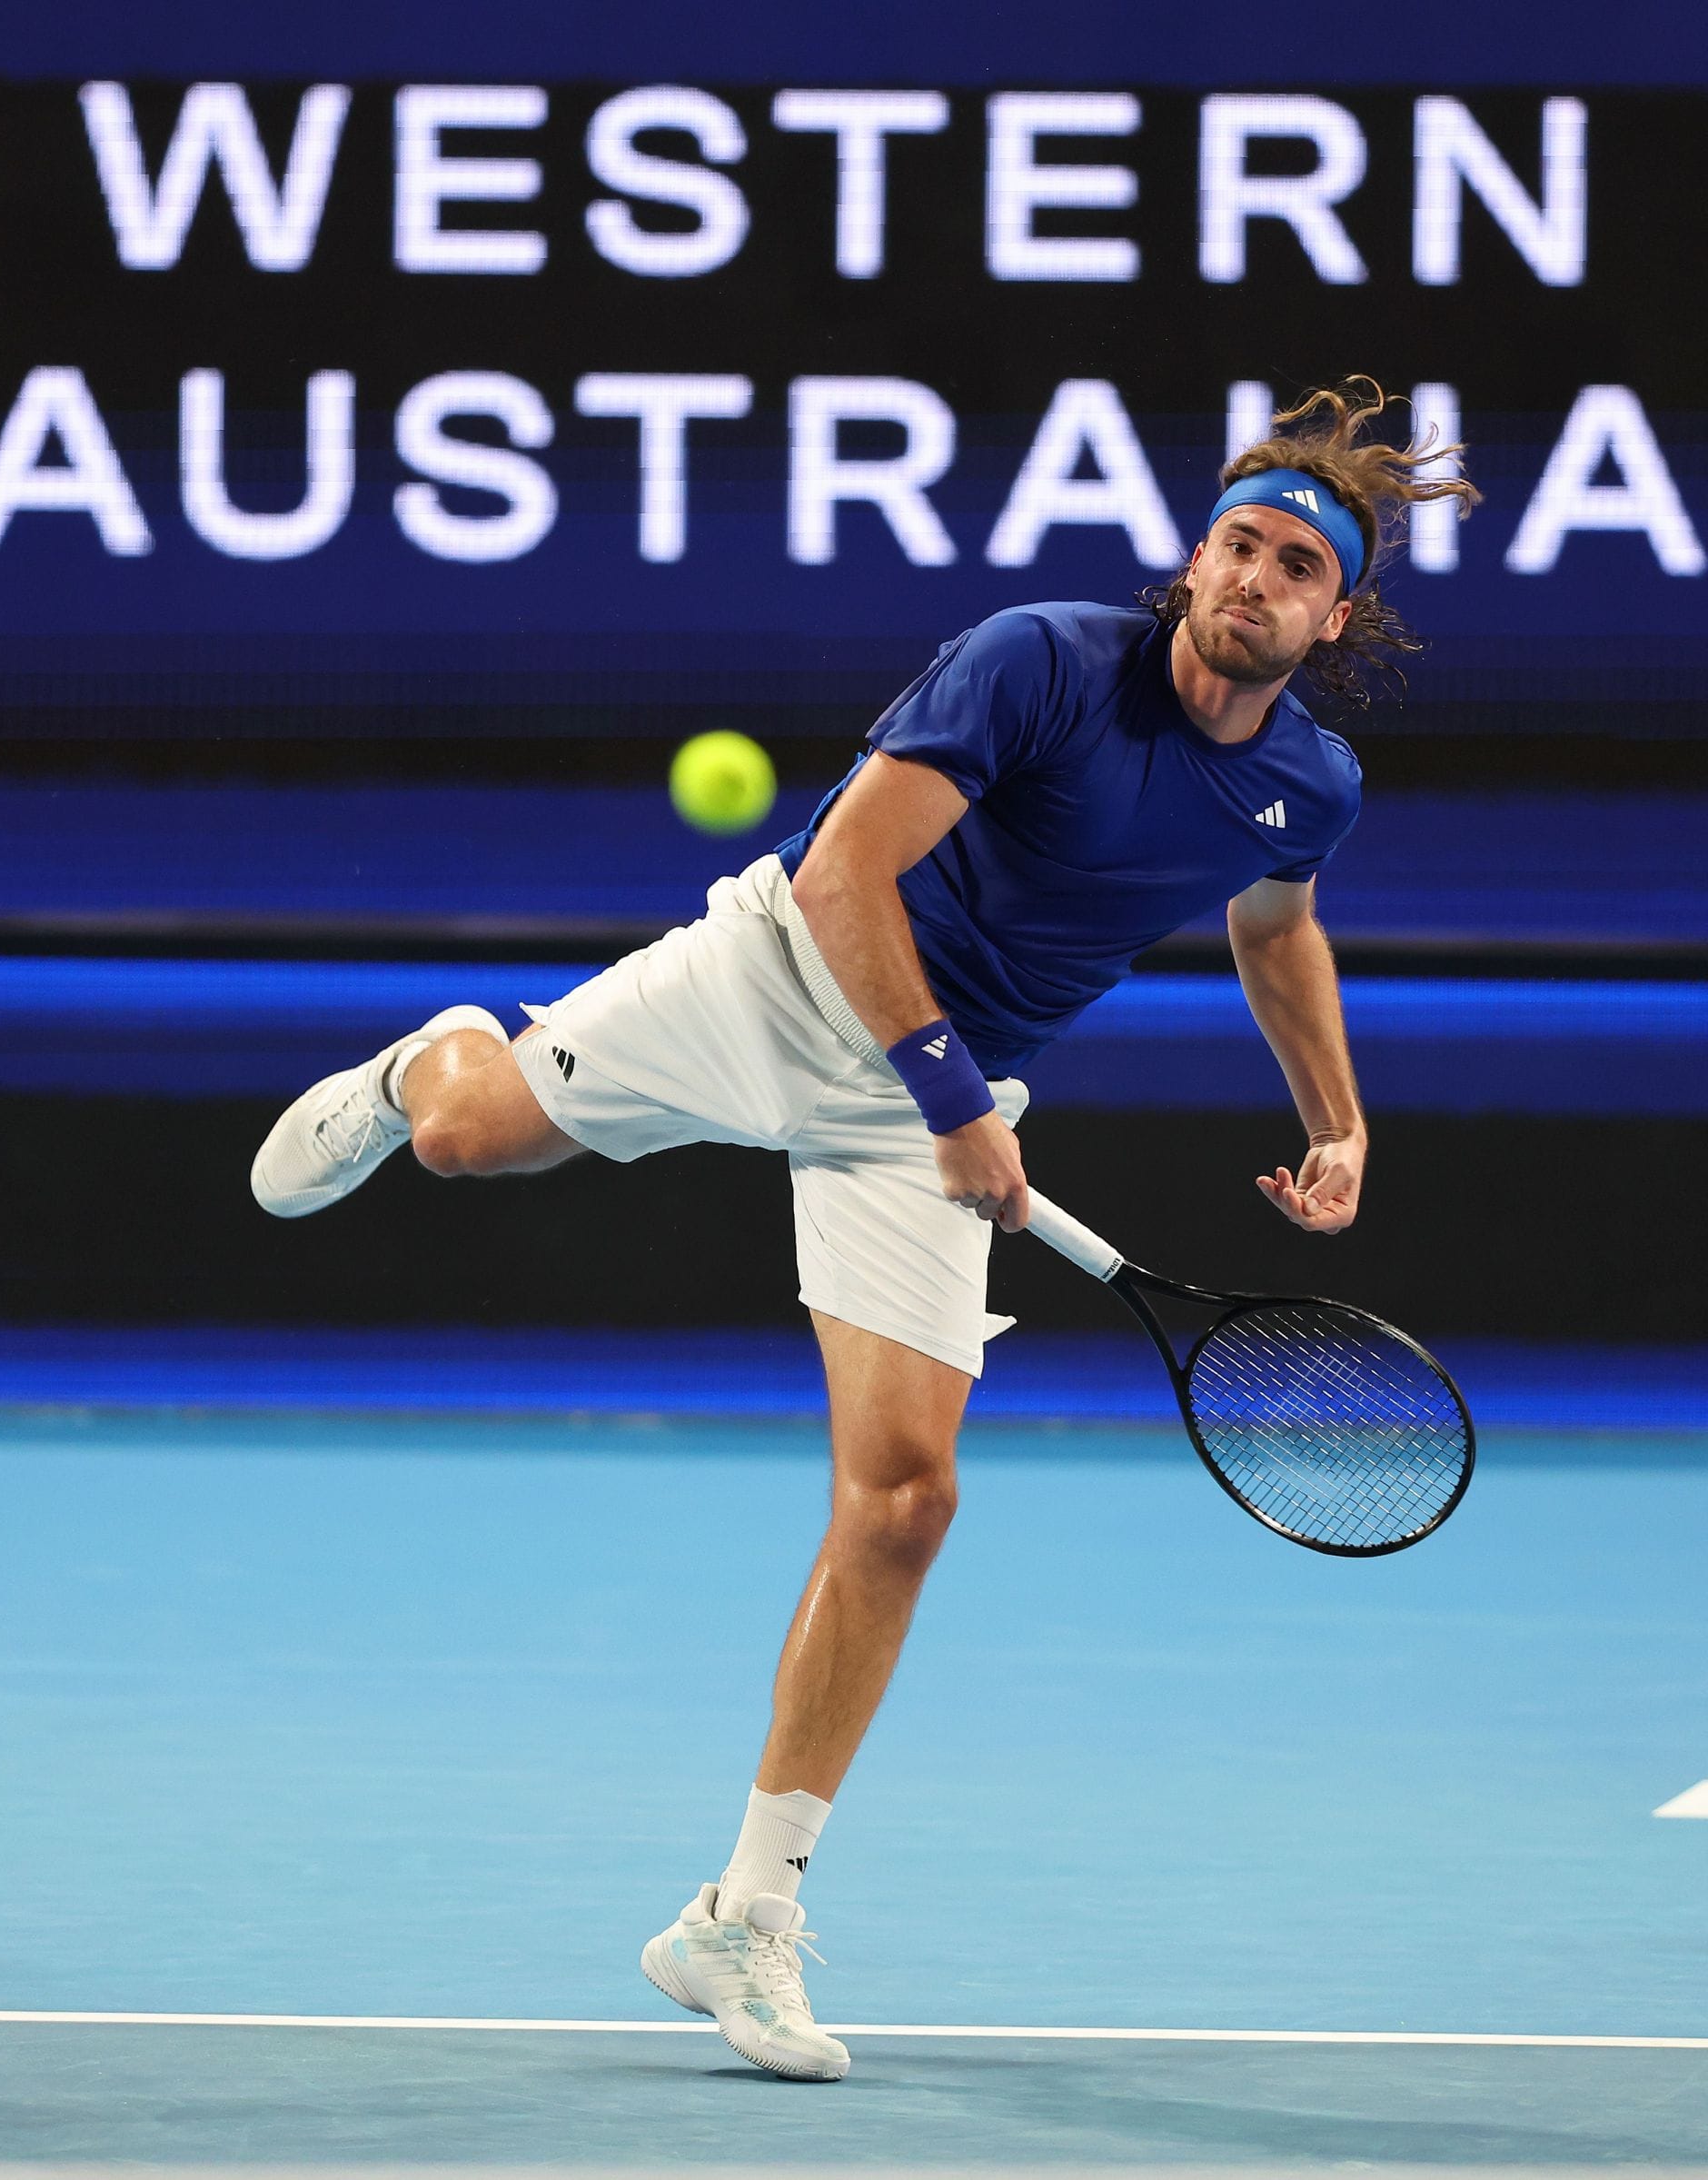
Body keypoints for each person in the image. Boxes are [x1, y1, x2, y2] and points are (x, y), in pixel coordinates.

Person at [249, 379, 1479, 2081]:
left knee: (904, 1501)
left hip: (934, 1104)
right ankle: (430, 1058)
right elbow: (843, 878)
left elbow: (1276, 935)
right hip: (786, 983)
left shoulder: (1308, 785)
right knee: (472, 1140)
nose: (1254, 580)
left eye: (1294, 568)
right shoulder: (1040, 658)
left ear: (1332, 615)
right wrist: (956, 1099)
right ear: (1197, 558)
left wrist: (1335, 1118)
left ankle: (740, 1921)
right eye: (1239, 544)